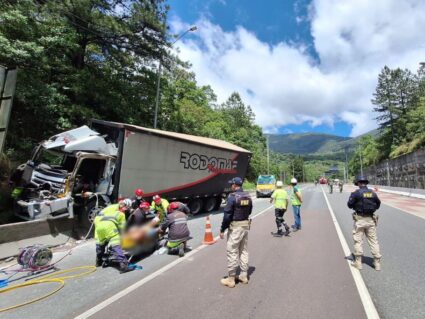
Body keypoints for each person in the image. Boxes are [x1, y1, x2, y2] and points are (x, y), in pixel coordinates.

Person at [220, 177, 253, 288]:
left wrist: (222, 229)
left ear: (235, 185)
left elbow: (227, 215)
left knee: (232, 251)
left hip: (235, 228)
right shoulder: (248, 196)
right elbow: (250, 211)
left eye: (232, 184)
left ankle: (231, 279)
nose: (231, 186)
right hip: (245, 226)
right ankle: (243, 275)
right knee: (243, 250)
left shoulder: (232, 197)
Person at [347, 176, 382, 271]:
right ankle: (377, 263)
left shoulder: (356, 193)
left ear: (358, 183)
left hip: (360, 220)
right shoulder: (372, 193)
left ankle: (358, 263)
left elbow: (349, 205)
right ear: (366, 183)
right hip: (371, 220)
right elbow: (378, 204)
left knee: (358, 240)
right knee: (373, 241)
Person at [94, 199, 133, 273]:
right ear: (125, 207)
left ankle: (98, 261)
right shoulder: (120, 213)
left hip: (99, 224)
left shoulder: (112, 210)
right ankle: (123, 266)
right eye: (127, 209)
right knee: (115, 242)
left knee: (100, 242)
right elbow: (122, 228)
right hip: (106, 224)